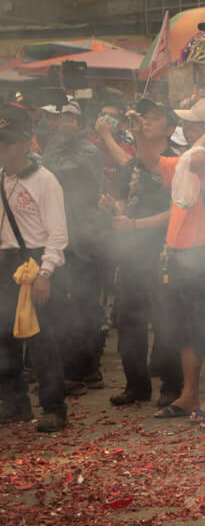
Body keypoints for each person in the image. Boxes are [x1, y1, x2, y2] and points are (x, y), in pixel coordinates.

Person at [152, 98, 205, 422]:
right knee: (185, 330)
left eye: (193, 124)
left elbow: (198, 158)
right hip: (180, 253)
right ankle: (189, 394)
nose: (185, 128)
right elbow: (152, 160)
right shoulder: (185, 159)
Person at [108, 99, 183, 409]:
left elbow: (176, 210)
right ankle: (136, 384)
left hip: (164, 251)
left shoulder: (176, 162)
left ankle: (171, 384)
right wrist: (117, 214)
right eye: (144, 117)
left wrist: (136, 224)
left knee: (166, 320)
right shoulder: (134, 165)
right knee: (129, 320)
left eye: (154, 118)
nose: (147, 122)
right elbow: (121, 198)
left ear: (169, 128)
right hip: (132, 253)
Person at [0, 104, 69, 432]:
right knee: (3, 339)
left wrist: (46, 272)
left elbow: (58, 232)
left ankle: (54, 408)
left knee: (43, 341)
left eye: (5, 142)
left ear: (22, 144)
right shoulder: (0, 177)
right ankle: (15, 405)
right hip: (7, 263)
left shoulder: (45, 180)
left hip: (37, 261)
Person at [39, 100, 107, 395]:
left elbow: (57, 169)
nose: (61, 124)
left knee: (83, 307)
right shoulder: (57, 147)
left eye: (68, 119)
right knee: (70, 308)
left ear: (78, 123)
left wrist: (61, 140)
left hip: (84, 240)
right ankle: (84, 368)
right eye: (57, 119)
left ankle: (82, 371)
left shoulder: (88, 150)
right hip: (66, 238)